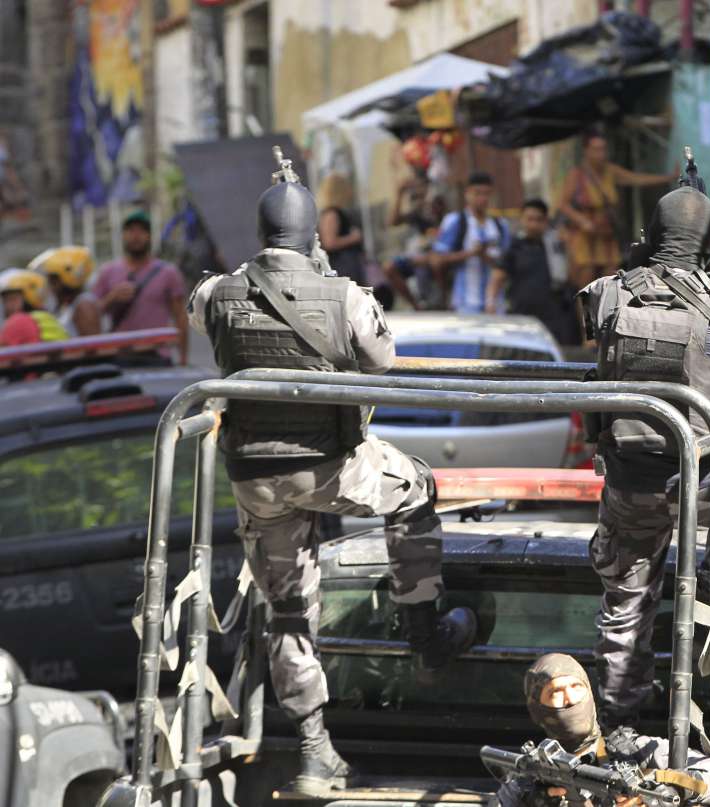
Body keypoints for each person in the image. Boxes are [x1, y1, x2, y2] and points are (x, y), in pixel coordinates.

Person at [187, 167, 477, 794]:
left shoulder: (215, 292)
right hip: (330, 465)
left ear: (260, 230)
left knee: (288, 612)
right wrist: (325, 277)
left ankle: (316, 753)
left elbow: (207, 318)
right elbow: (383, 360)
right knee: (415, 487)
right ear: (313, 232)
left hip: (256, 477)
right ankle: (425, 637)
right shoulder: (342, 293)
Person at [579, 169, 710, 729]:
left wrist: (635, 263)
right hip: (705, 482)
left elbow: (589, 316)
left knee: (626, 600)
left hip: (630, 484)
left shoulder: (608, 293)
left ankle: (620, 721)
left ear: (650, 233)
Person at [491, 653, 710, 807]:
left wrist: (670, 788)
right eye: (555, 693)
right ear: (538, 709)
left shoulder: (635, 751)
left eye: (576, 687)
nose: (570, 699)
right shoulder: (531, 776)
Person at [559, 131, 678, 289]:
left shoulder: (610, 171)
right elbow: (563, 204)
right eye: (596, 149)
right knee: (585, 283)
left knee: (610, 280)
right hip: (585, 234)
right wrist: (582, 221)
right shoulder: (577, 174)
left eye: (603, 149)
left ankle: (606, 313)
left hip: (607, 233)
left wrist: (668, 177)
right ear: (586, 151)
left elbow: (636, 179)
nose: (600, 154)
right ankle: (584, 314)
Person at [93, 210, 188, 363]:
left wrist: (183, 358)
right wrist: (112, 298)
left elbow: (180, 317)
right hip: (118, 356)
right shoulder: (108, 272)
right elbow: (92, 314)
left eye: (142, 231)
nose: (136, 236)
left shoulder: (168, 272)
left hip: (157, 355)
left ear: (149, 236)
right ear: (123, 236)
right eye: (131, 231)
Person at [486, 198, 575, 344]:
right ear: (522, 220)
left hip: (554, 320)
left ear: (546, 221)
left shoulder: (557, 247)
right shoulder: (514, 248)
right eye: (529, 219)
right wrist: (491, 304)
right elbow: (497, 277)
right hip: (521, 319)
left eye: (538, 220)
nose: (533, 224)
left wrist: (569, 245)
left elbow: (573, 277)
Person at [432, 172, 511, 313]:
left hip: (496, 304)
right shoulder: (455, 221)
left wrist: (485, 256)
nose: (482, 198)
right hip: (465, 302)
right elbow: (437, 259)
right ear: (467, 194)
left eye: (486, 194)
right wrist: (471, 253)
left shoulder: (500, 225)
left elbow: (508, 262)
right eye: (477, 193)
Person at [29, 245, 102, 337]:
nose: (50, 285)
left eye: (54, 279)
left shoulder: (84, 306)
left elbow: (93, 348)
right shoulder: (63, 306)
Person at [317, 173, 368, 286]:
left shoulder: (338, 212)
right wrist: (353, 238)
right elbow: (329, 243)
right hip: (342, 267)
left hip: (350, 266)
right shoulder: (331, 214)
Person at [0, 268, 68, 346]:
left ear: (28, 298)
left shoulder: (18, 320)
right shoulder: (46, 317)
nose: (8, 306)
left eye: (13, 299)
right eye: (5, 301)